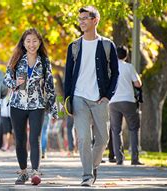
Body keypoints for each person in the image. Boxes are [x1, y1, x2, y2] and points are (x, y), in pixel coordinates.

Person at [64, 6, 119, 186]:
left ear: (95, 20)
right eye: (80, 19)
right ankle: (87, 175)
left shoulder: (106, 45)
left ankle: (94, 165)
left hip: (100, 99)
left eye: (85, 18)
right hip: (79, 97)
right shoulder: (74, 46)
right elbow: (68, 76)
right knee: (84, 138)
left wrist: (108, 95)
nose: (81, 22)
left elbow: (115, 73)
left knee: (103, 139)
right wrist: (68, 100)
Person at [4, 28, 57, 185]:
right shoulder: (16, 58)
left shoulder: (45, 61)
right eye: (28, 41)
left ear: (39, 42)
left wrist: (55, 110)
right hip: (17, 104)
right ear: (23, 43)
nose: (31, 44)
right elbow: (6, 78)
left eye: (35, 41)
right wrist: (15, 83)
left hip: (37, 104)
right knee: (20, 140)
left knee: (35, 138)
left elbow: (50, 86)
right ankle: (22, 172)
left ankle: (35, 172)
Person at [109, 46, 143, 166]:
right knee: (133, 129)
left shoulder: (110, 68)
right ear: (126, 56)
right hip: (128, 100)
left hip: (113, 101)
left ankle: (119, 159)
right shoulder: (129, 67)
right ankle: (134, 158)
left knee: (116, 130)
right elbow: (138, 84)